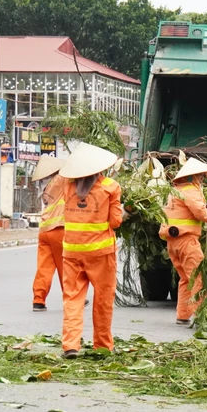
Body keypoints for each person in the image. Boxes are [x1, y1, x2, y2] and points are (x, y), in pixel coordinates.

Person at [59, 143, 124, 359]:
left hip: (71, 252)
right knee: (103, 299)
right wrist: (126, 211)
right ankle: (103, 345)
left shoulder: (67, 187)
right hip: (100, 253)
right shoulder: (110, 187)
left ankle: (70, 345)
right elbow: (115, 222)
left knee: (72, 299)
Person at [158, 157, 207, 327]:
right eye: (201, 176)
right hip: (186, 241)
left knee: (185, 278)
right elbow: (199, 212)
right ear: (192, 176)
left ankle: (183, 315)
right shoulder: (190, 190)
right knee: (197, 277)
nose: (202, 179)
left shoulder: (175, 191)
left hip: (173, 242)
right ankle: (201, 316)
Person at [31, 155, 67, 311]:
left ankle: (38, 299)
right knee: (65, 265)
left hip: (44, 229)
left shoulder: (44, 185)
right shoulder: (61, 179)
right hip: (58, 228)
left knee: (44, 267)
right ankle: (72, 295)